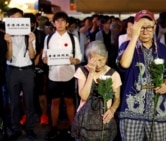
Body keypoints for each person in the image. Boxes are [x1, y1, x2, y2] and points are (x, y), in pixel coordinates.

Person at [117, 10, 166, 141]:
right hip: (131, 111)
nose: (145, 31)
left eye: (149, 27)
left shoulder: (162, 49)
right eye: (141, 27)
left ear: (154, 27)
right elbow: (124, 64)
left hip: (158, 109)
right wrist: (134, 36)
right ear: (135, 27)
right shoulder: (126, 46)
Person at [42, 11, 82, 140]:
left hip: (68, 74)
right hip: (53, 75)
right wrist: (45, 60)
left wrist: (74, 60)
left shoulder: (72, 38)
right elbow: (44, 56)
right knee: (55, 102)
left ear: (67, 23)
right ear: (53, 23)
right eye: (57, 21)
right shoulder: (48, 38)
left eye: (62, 21)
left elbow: (79, 57)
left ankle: (72, 128)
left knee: (70, 102)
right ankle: (54, 128)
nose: (59, 24)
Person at [72, 40, 122, 140]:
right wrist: (91, 73)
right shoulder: (82, 71)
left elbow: (117, 98)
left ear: (106, 57)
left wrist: (112, 110)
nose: (98, 64)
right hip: (84, 119)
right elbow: (84, 96)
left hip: (104, 118)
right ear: (88, 58)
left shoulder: (113, 74)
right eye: (95, 60)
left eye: (101, 60)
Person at [4, 7, 37, 140]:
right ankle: (16, 128)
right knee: (14, 102)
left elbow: (33, 56)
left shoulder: (29, 34)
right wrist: (9, 44)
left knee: (29, 101)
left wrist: (30, 42)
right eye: (12, 19)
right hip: (12, 71)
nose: (15, 21)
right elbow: (8, 57)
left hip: (27, 70)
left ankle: (29, 128)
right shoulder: (5, 35)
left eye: (18, 18)